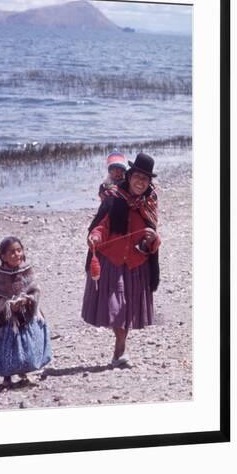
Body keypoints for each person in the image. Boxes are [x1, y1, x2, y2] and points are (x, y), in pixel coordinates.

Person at [82, 152, 161, 368]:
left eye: (145, 179)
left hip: (136, 264)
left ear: (148, 183)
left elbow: (151, 241)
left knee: (126, 310)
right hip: (113, 261)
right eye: (137, 177)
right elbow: (102, 225)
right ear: (130, 175)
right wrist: (95, 236)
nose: (140, 182)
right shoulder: (114, 198)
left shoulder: (150, 204)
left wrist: (153, 239)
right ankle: (120, 348)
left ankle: (119, 349)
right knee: (117, 308)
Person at [0, 236, 52, 386]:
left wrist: (28, 300)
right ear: (3, 256)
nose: (17, 255)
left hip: (26, 314)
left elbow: (35, 289)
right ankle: (6, 377)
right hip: (6, 317)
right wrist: (8, 305)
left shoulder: (27, 269)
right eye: (12, 252)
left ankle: (24, 370)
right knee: (6, 346)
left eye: (19, 250)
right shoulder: (1, 273)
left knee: (28, 343)